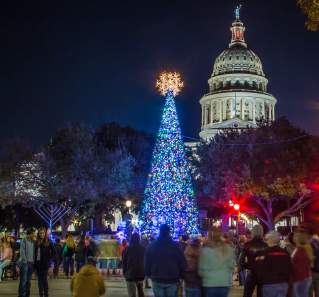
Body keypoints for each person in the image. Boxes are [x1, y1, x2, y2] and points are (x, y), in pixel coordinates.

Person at [145, 224, 187, 297]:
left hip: (157, 278)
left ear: (160, 232)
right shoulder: (175, 246)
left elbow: (147, 262)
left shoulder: (151, 246)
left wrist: (148, 274)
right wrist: (181, 275)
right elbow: (182, 262)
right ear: (169, 232)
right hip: (172, 278)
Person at [198, 227, 235, 297]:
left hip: (210, 284)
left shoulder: (205, 251)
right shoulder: (228, 249)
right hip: (224, 283)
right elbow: (232, 266)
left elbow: (201, 270)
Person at [255, 231, 291, 297]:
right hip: (283, 284)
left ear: (270, 239)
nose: (266, 241)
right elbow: (289, 268)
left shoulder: (263, 253)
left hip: (269, 284)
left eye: (266, 239)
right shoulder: (285, 253)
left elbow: (259, 269)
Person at [239, 224, 268, 297]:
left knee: (247, 294)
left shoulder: (247, 244)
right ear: (262, 232)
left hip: (251, 273)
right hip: (263, 274)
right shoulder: (266, 245)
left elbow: (241, 261)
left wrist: (248, 266)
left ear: (253, 232)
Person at [291, 229, 314, 297]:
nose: (293, 237)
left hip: (300, 278)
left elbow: (298, 266)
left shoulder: (301, 250)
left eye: (295, 236)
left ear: (298, 238)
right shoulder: (304, 248)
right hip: (304, 277)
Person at [34, 228, 54, 297]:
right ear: (38, 234)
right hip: (38, 264)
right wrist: (35, 264)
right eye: (40, 233)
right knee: (39, 280)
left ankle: (46, 294)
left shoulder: (49, 241)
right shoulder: (36, 242)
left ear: (45, 233)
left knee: (44, 280)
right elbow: (35, 253)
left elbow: (54, 252)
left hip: (45, 264)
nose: (41, 234)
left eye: (43, 233)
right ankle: (41, 294)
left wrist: (50, 260)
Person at [18, 228, 35, 297]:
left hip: (31, 263)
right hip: (25, 263)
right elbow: (22, 251)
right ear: (30, 233)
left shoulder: (33, 241)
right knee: (23, 281)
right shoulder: (24, 240)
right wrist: (25, 261)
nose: (34, 235)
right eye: (33, 233)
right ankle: (22, 295)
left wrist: (33, 261)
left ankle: (27, 294)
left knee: (28, 281)